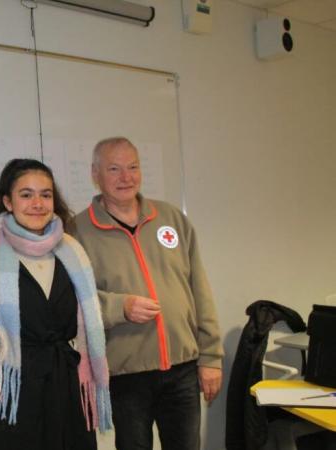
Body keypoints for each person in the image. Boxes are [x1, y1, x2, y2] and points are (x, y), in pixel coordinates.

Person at [71, 137, 224, 450]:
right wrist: (119, 307)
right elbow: (72, 300)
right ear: (95, 174)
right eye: (114, 169)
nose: (126, 178)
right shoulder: (78, 230)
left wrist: (211, 357)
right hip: (126, 374)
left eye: (133, 167)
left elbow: (200, 290)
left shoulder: (171, 219)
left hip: (183, 369)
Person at [0, 158, 112, 450]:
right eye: (26, 195)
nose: (38, 203)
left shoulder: (72, 251)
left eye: (46, 194)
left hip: (66, 389)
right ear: (7, 201)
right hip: (13, 394)